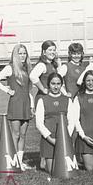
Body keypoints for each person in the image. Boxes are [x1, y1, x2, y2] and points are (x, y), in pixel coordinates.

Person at [0, 44, 34, 171]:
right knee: (15, 134)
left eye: (24, 53)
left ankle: (20, 162)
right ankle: (14, 162)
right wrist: (7, 90)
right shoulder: (10, 68)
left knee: (23, 134)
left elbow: (28, 90)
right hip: (15, 103)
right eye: (20, 53)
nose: (22, 56)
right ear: (15, 55)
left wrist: (32, 105)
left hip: (26, 103)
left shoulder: (27, 68)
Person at [35, 73, 74, 173]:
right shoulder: (42, 100)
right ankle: (45, 159)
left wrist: (65, 138)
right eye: (53, 83)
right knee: (52, 170)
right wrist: (50, 138)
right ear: (48, 84)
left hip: (64, 138)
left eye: (58, 83)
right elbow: (39, 123)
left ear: (62, 85)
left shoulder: (68, 100)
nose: (56, 86)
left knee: (66, 169)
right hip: (49, 139)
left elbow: (71, 121)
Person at [29, 40, 60, 168]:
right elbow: (32, 76)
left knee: (50, 127)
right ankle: (43, 158)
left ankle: (47, 156)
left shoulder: (52, 64)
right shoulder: (42, 65)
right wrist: (43, 89)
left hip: (50, 98)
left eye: (54, 50)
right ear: (43, 52)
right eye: (50, 50)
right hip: (43, 98)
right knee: (44, 127)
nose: (52, 52)